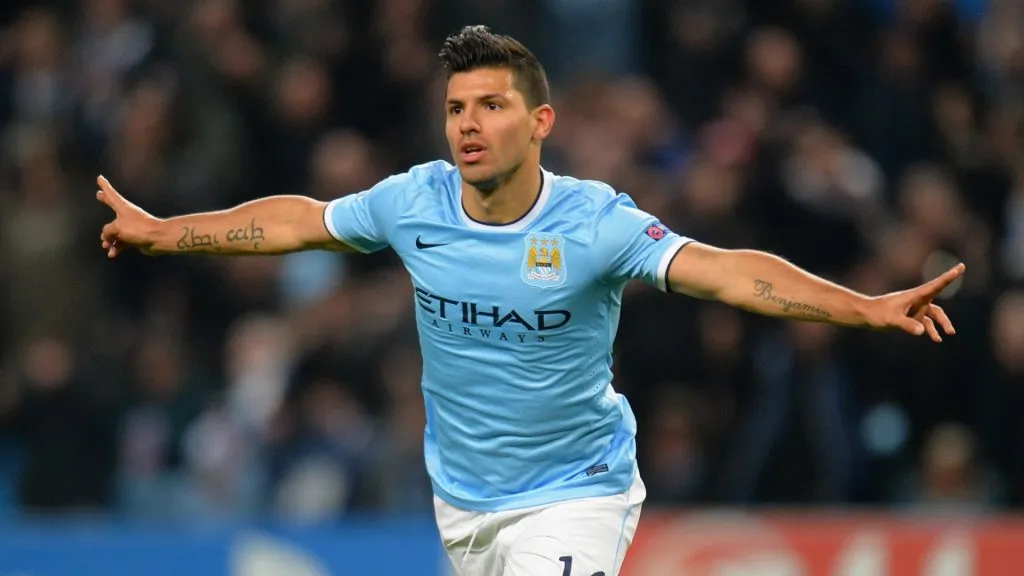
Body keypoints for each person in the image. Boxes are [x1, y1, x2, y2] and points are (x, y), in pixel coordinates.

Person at [96, 25, 964, 576]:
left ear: (540, 123)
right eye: (456, 108)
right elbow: (298, 222)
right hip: (463, 501)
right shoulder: (414, 202)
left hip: (577, 493)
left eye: (492, 106)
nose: (468, 124)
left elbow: (733, 273)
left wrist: (862, 305)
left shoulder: (596, 224)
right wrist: (167, 230)